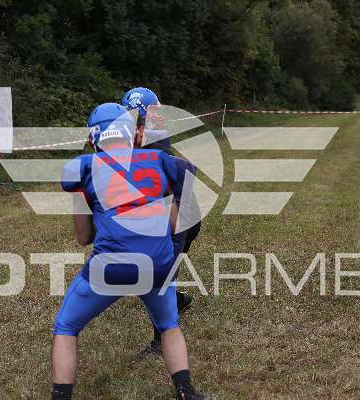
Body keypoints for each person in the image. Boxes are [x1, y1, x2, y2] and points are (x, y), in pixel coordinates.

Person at [51, 103, 211, 400]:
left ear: (93, 136)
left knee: (66, 325)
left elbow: (83, 238)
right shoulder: (158, 160)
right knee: (169, 325)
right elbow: (176, 223)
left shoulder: (84, 168)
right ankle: (186, 391)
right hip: (157, 265)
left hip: (112, 266)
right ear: (132, 132)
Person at [121, 87, 202, 356]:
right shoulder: (144, 136)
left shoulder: (152, 141)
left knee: (158, 274)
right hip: (180, 212)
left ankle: (162, 340)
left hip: (177, 214)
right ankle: (178, 301)